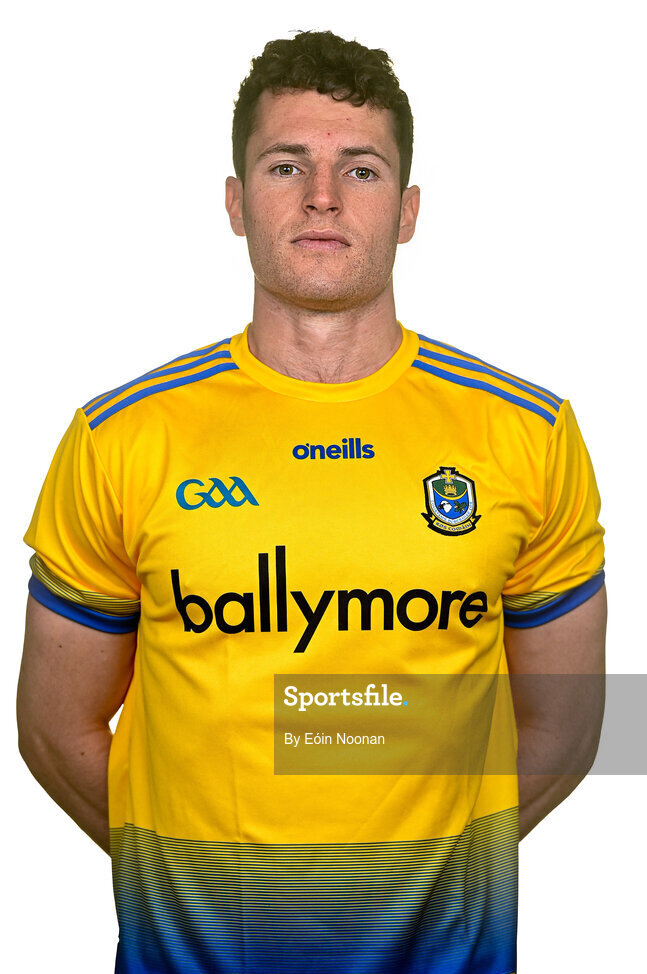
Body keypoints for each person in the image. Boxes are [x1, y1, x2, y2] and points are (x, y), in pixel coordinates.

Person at [17, 29, 606, 974]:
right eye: (286, 165)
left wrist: (440, 872)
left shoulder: (525, 434)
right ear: (235, 202)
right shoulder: (120, 437)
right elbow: (55, 727)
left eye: (361, 170)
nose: (323, 197)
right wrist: (180, 886)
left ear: (407, 211)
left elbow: (568, 720)